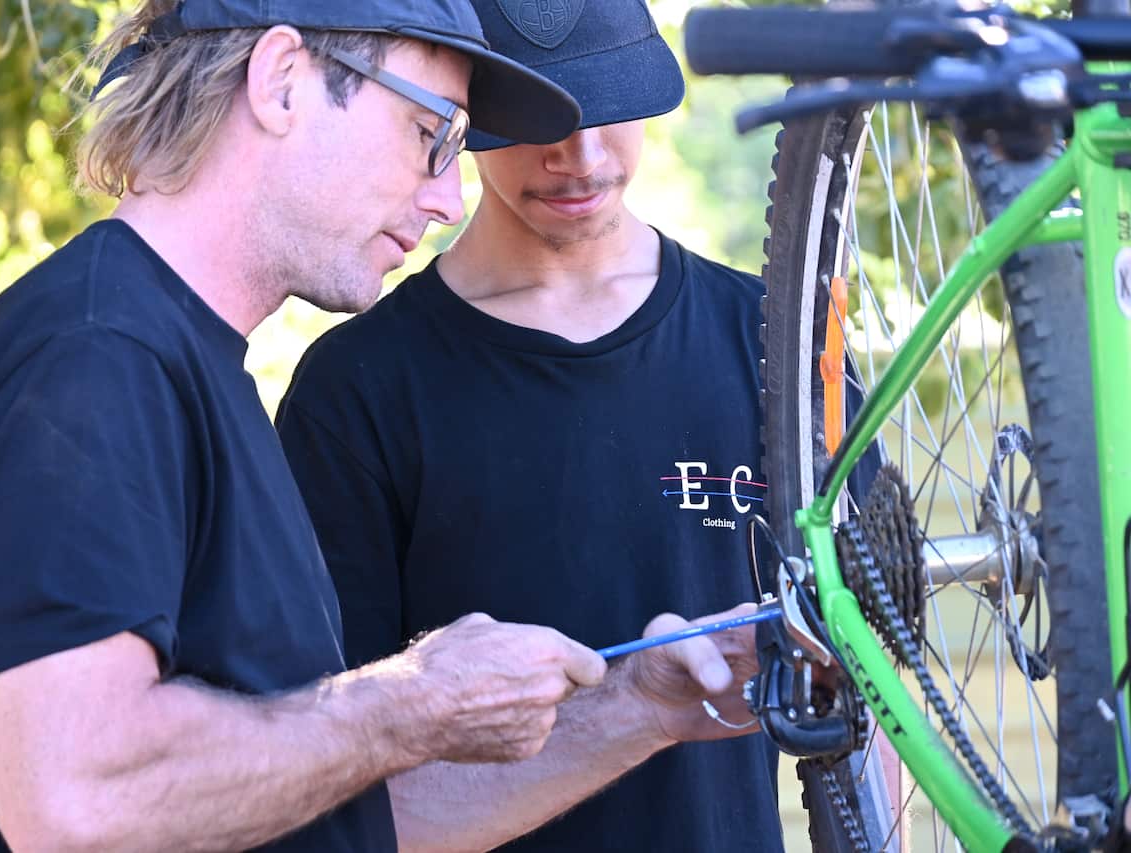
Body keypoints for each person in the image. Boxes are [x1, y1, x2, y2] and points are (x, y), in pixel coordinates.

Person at [0, 0, 762, 851]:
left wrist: (639, 706)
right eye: (431, 132)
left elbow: (336, 813)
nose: (446, 195)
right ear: (282, 81)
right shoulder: (100, 354)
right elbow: (76, 800)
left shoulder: (192, 369)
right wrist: (408, 702)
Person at [276, 0, 785, 850]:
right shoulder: (355, 390)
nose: (579, 156)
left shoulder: (774, 341)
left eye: (611, 104)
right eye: (541, 115)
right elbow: (328, 802)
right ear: (465, 106)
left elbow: (870, 676)